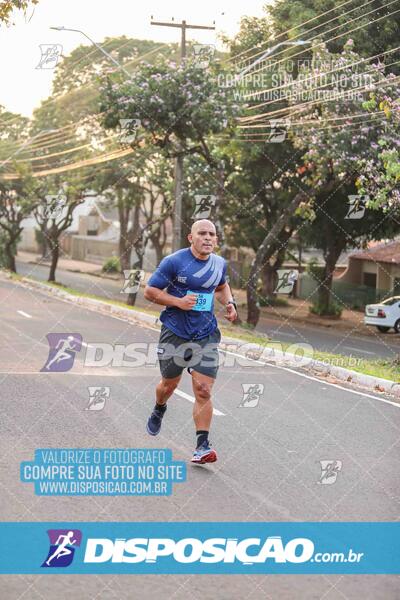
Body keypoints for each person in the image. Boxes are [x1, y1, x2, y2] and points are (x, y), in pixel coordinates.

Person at [144, 219, 237, 464]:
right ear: (191, 237)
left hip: (205, 334)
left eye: (212, 234)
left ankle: (201, 446)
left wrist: (229, 303)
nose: (208, 238)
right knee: (168, 385)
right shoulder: (174, 261)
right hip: (175, 332)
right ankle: (159, 407)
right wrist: (178, 302)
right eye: (202, 233)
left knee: (203, 390)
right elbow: (150, 291)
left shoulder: (219, 263)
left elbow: (221, 286)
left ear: (216, 239)